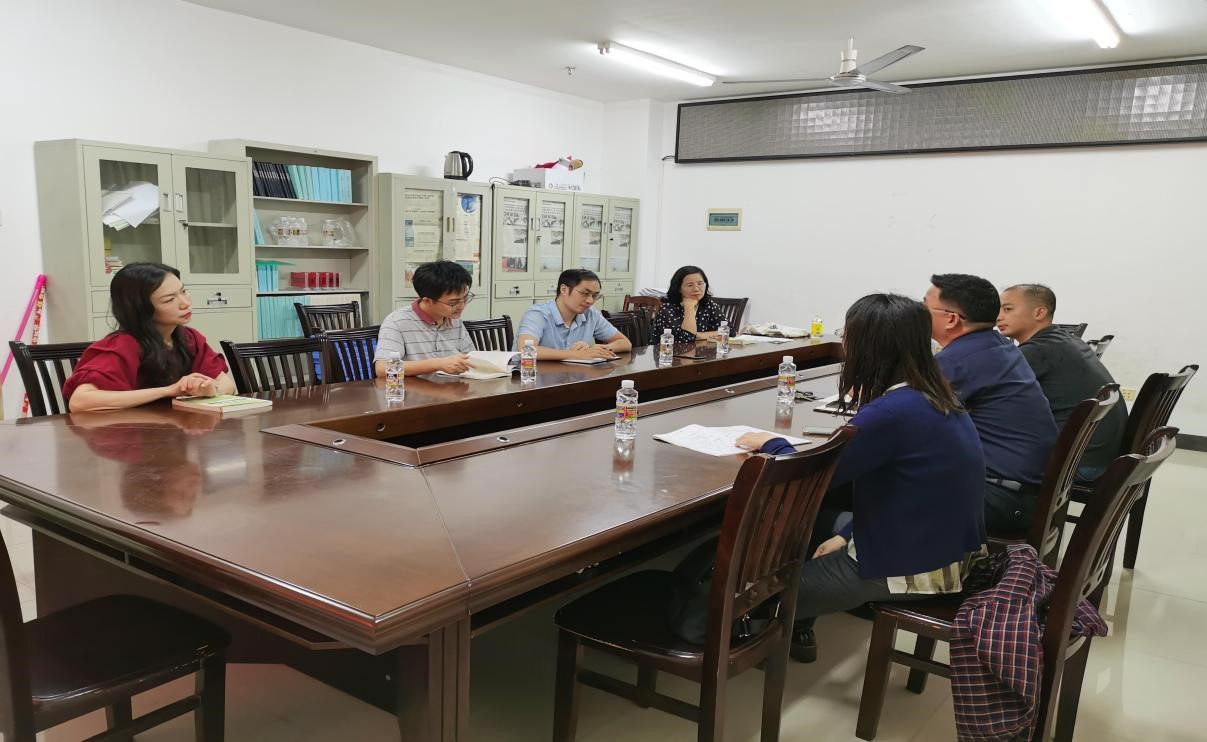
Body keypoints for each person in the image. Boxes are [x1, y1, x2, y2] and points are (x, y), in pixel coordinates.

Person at [734, 294, 987, 663]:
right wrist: (846, 534)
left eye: (847, 337)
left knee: (745, 596)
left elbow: (808, 482)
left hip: (909, 568)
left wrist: (770, 442)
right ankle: (799, 624)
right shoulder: (934, 394)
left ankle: (767, 625)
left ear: (869, 348)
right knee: (820, 522)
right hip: (944, 551)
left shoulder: (891, 411)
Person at [925, 274, 1058, 536]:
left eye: (923, 307)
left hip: (999, 497)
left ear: (951, 319)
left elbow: (908, 420)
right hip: (1026, 489)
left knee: (877, 487)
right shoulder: (998, 346)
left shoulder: (958, 361)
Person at [63, 262, 235, 412]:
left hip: (178, 431)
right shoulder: (123, 345)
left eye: (183, 291)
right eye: (169, 300)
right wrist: (168, 391)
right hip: (132, 434)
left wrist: (211, 389)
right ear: (141, 308)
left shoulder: (190, 338)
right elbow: (80, 402)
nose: (185, 303)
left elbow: (227, 385)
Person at [997, 284, 1127, 481]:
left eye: (1007, 309)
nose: (999, 317)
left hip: (1078, 464)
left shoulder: (1038, 350)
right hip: (1096, 454)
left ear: (1039, 313)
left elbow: (983, 395)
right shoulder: (1065, 340)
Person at [374, 260, 478, 377]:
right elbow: (383, 369)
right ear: (427, 301)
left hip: (452, 386)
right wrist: (438, 364)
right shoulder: (397, 322)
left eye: (465, 298)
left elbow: (470, 357)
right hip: (418, 387)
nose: (462, 306)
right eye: (453, 303)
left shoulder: (454, 319)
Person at [514, 268, 632, 360]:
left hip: (570, 378)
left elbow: (625, 343)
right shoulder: (538, 314)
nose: (590, 301)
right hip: (529, 379)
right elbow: (526, 350)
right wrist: (578, 355)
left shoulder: (590, 314)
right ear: (564, 290)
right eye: (585, 293)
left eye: (595, 295)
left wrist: (598, 349)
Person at [650, 265, 725, 343]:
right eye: (690, 285)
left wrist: (698, 335)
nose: (696, 289)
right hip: (668, 350)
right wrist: (689, 307)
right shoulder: (667, 309)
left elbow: (728, 331)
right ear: (679, 288)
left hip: (701, 349)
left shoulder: (709, 304)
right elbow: (687, 339)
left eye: (700, 284)